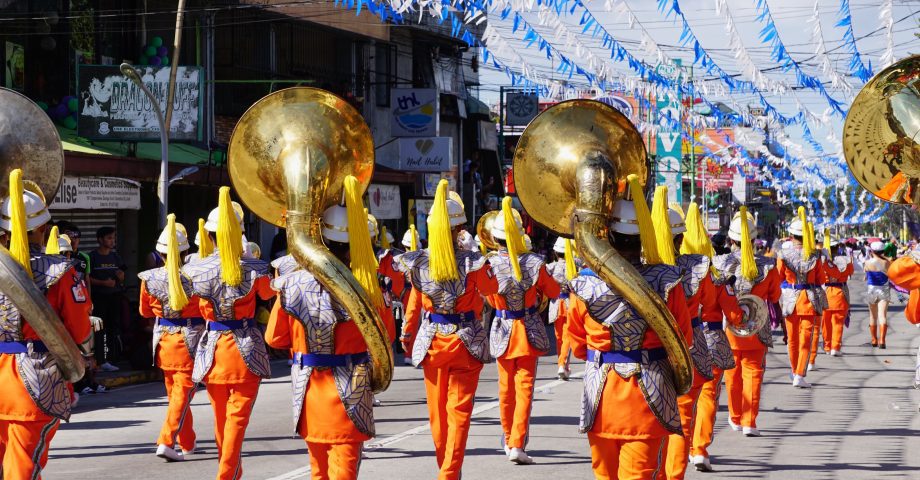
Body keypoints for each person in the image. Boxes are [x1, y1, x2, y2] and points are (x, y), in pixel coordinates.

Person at [266, 175, 394, 480]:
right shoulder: (369, 286)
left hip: (309, 389)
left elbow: (274, 337)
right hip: (351, 390)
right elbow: (384, 338)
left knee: (318, 472)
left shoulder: (291, 283)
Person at [566, 175, 692, 479]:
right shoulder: (668, 280)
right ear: (644, 234)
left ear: (607, 233)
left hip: (601, 396)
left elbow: (577, 344)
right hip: (650, 395)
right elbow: (682, 340)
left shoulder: (584, 285)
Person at [400, 180, 498, 479]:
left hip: (431, 341)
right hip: (466, 341)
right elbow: (492, 289)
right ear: (459, 230)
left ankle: (446, 467)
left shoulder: (417, 263)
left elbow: (416, 298)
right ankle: (450, 471)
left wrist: (406, 331)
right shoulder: (474, 262)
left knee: (438, 413)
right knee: (459, 413)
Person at [0, 169, 92, 478]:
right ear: (42, 229)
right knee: (23, 469)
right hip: (35, 380)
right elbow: (79, 331)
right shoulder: (61, 271)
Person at [184, 189, 275, 480]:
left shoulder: (194, 268)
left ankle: (230, 472)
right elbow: (268, 294)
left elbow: (191, 306)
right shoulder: (254, 268)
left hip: (211, 350)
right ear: (241, 235)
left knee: (222, 419)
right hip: (245, 350)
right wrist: (250, 259)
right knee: (236, 420)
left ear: (209, 236)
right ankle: (226, 474)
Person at [486, 197, 560, 464]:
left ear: (495, 239)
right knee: (524, 389)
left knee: (505, 390)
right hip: (528, 330)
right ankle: (517, 443)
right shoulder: (533, 263)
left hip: (502, 329)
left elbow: (487, 299)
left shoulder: (489, 264)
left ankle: (507, 440)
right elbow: (553, 291)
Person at [138, 216, 204, 462]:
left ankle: (187, 442)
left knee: (176, 395)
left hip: (164, 340)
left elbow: (145, 312)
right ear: (186, 250)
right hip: (190, 341)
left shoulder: (149, 278)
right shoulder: (196, 275)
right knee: (181, 395)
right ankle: (167, 440)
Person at [777, 208, 826, 388]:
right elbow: (821, 280)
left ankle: (794, 371)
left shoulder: (783, 255)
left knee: (792, 339)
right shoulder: (814, 255)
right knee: (805, 339)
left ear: (791, 235)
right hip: (809, 300)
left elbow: (779, 277)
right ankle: (799, 374)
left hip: (789, 299)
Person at [88, 225, 127, 372]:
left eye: (113, 238)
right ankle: (100, 359)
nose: (112, 241)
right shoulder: (92, 257)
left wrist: (120, 277)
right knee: (99, 328)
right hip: (98, 298)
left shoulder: (116, 257)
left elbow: (123, 276)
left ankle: (111, 358)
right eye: (109, 238)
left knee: (113, 327)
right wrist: (103, 283)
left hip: (114, 297)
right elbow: (87, 278)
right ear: (100, 240)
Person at [545, 237, 577, 380]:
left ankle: (562, 364)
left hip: (556, 304)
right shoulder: (576, 265)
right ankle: (563, 364)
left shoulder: (550, 267)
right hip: (570, 302)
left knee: (559, 337)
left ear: (556, 253)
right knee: (567, 336)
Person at [817, 235, 854, 357]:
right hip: (840, 293)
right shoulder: (847, 260)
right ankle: (835, 347)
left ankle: (827, 346)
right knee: (838, 323)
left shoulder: (822, 261)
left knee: (826, 324)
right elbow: (850, 272)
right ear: (838, 247)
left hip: (826, 292)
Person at [864, 241, 892, 349]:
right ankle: (882, 340)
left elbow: (866, 274)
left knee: (872, 316)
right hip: (884, 289)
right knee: (882, 315)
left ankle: (874, 339)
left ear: (872, 251)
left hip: (872, 290)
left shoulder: (867, 262)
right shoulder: (887, 263)